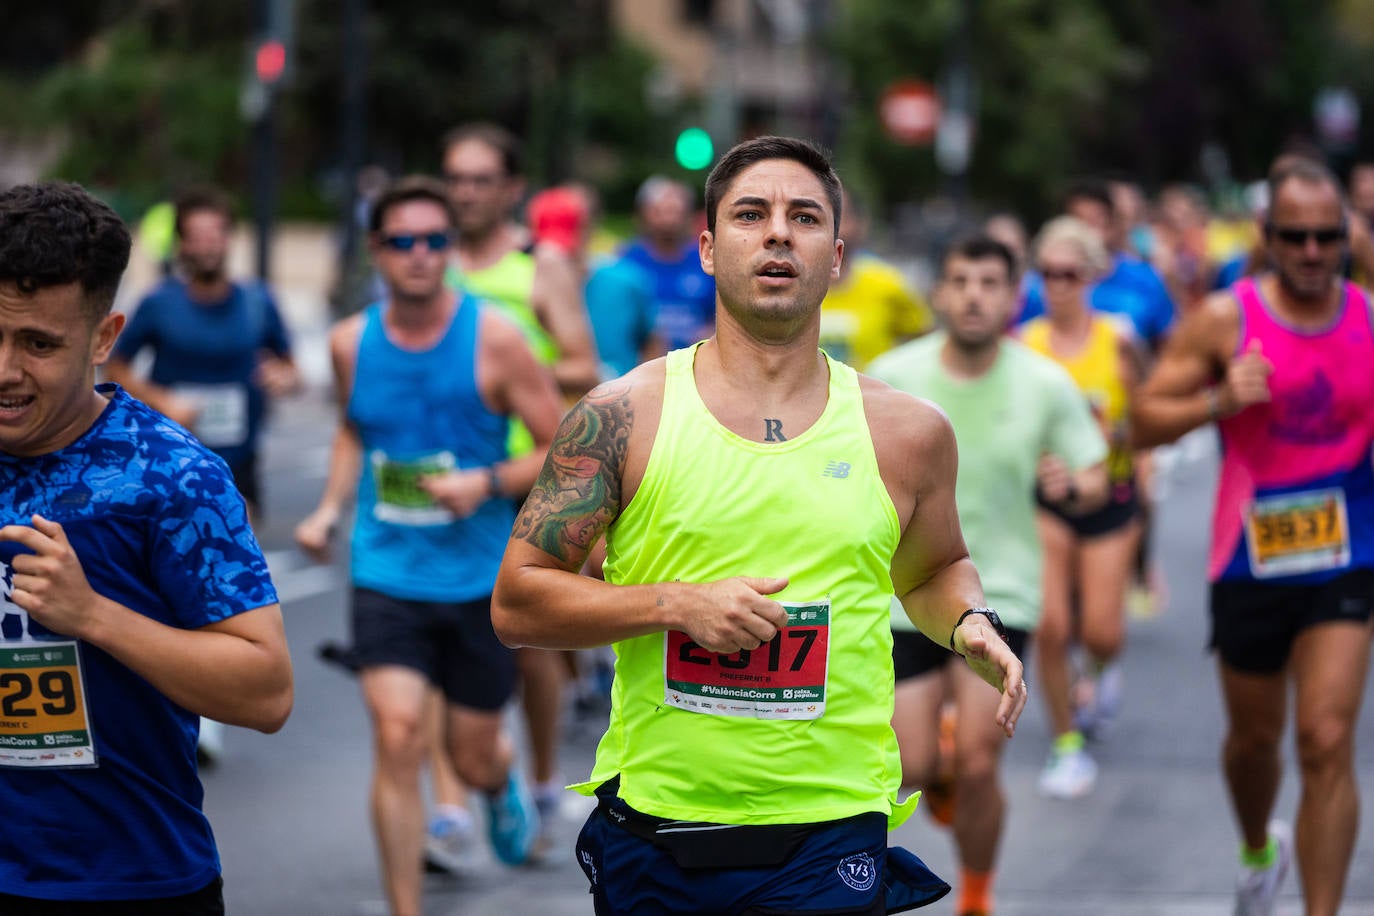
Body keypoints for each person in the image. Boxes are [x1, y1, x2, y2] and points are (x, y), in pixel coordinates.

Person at [491, 136, 1028, 916]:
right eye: (751, 214)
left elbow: (932, 570)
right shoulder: (621, 417)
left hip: (829, 829)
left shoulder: (907, 432)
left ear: (836, 255)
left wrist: (970, 623)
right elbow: (517, 604)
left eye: (803, 217)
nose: (778, 233)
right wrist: (676, 605)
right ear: (708, 248)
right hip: (658, 829)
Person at [0, 182, 293, 912]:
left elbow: (266, 690)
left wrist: (93, 616)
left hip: (129, 882)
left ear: (104, 338)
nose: (4, 369)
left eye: (38, 344)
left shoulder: (170, 476)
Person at [293, 176, 563, 916]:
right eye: (403, 242)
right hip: (386, 571)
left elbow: (560, 446)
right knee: (399, 732)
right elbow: (357, 426)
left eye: (435, 241)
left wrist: (485, 481)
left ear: (451, 250)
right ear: (377, 252)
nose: (420, 255)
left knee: (473, 755)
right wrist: (326, 509)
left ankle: (499, 780)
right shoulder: (351, 342)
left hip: (477, 576)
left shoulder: (497, 340)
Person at [1132, 158, 1374, 916]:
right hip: (1249, 557)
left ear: (1346, 238)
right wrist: (1217, 398)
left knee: (1327, 738)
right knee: (1253, 744)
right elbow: (1140, 419)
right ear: (1266, 238)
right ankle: (1256, 850)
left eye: (1325, 237)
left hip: (1349, 555)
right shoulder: (1226, 319)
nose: (1310, 252)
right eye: (1294, 237)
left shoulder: (1368, 317)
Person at [867, 235, 1107, 916]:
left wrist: (1073, 485)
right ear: (938, 294)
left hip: (1002, 594)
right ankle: (936, 767)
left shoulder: (1044, 383)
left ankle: (975, 896)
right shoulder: (890, 376)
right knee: (910, 766)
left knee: (977, 761)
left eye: (989, 282)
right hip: (903, 596)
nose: (973, 294)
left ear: (1011, 297)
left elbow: (1094, 473)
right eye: (960, 280)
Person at [443, 125, 596, 840]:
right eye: (456, 178)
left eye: (480, 180)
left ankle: (538, 781)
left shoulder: (541, 268)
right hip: (438, 477)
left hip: (522, 473)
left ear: (511, 190)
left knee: (528, 641)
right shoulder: (427, 261)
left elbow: (583, 365)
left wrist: (511, 366)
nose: (465, 192)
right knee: (438, 632)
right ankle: (448, 807)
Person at [1018, 216, 1144, 799]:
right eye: (1048, 274)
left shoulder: (1118, 339)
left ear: (1091, 275)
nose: (1058, 285)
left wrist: (1139, 471)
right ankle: (1066, 745)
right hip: (1045, 500)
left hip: (1109, 496)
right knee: (1050, 625)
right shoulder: (1026, 344)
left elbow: (1143, 415)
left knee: (1102, 632)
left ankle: (1098, 673)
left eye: (1069, 273)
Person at [106, 185, 301, 521]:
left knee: (238, 557)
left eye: (216, 234)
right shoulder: (159, 303)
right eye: (197, 236)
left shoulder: (258, 301)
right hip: (169, 457)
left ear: (229, 239)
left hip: (238, 460)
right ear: (182, 244)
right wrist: (162, 400)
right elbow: (115, 368)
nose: (208, 244)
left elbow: (290, 367)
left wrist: (283, 378)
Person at [818, 188, 933, 368]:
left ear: (860, 223)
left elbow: (928, 346)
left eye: (839, 217)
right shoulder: (783, 287)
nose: (831, 228)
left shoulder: (888, 284)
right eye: (813, 218)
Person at [620, 175, 718, 352]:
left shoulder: (706, 260)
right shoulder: (627, 262)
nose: (669, 219)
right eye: (661, 211)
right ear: (643, 213)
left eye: (675, 211)